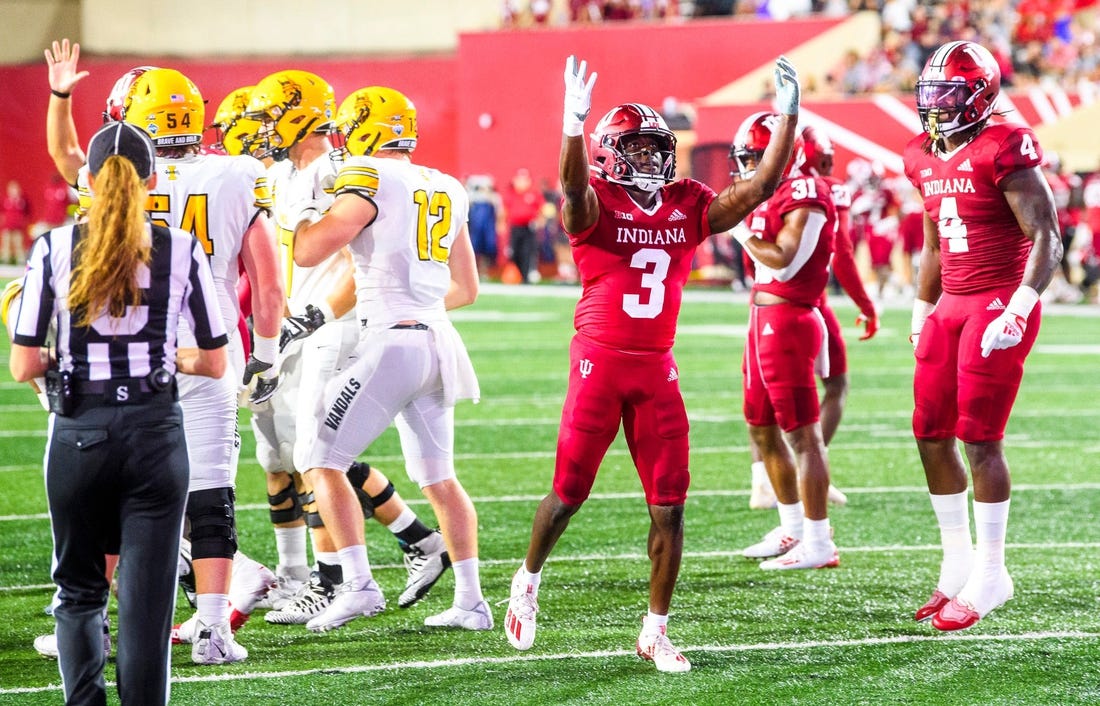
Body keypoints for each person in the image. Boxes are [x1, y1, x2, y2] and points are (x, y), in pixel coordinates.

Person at [502, 54, 801, 672]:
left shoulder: (686, 202)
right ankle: (528, 579)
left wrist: (788, 116)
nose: (651, 160)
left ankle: (655, 630)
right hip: (598, 364)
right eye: (636, 150)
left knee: (670, 504)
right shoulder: (597, 202)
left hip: (655, 368)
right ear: (611, 153)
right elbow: (575, 189)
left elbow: (759, 189)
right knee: (568, 493)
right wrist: (571, 127)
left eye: (655, 148)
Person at [8, 121, 227, 705]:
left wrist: (64, 357)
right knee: (147, 606)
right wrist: (161, 353)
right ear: (152, 181)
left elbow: (23, 365)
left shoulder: (54, 247)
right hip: (156, 434)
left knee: (79, 593)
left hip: (80, 433)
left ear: (87, 181)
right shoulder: (181, 248)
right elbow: (214, 361)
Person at [242, 74, 451, 624]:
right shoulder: (290, 172)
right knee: (315, 454)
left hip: (333, 327)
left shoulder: (341, 173)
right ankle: (405, 547)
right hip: (303, 327)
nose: (261, 130)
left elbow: (357, 265)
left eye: (269, 118)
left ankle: (336, 580)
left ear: (298, 115)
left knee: (317, 454)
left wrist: (306, 319)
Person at [290, 85, 488, 633]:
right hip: (439, 341)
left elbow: (309, 249)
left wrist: (304, 208)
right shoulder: (447, 184)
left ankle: (358, 585)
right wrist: (416, 306)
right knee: (440, 478)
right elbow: (466, 286)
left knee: (318, 458)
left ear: (363, 131)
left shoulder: (370, 176)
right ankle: (471, 601)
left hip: (393, 340)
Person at [905, 40, 1062, 631]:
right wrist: (921, 307)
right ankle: (956, 566)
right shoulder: (920, 155)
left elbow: (1047, 234)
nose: (939, 107)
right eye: (932, 95)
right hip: (952, 302)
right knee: (929, 431)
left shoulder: (1006, 145)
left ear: (980, 95)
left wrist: (1020, 306)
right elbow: (931, 243)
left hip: (998, 298)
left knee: (979, 437)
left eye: (949, 94)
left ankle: (992, 573)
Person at [746, 123, 877, 511]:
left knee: (765, 409)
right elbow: (842, 253)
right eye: (825, 160)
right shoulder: (815, 190)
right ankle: (804, 476)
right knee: (807, 408)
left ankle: (777, 481)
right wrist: (866, 305)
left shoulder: (783, 190)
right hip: (800, 303)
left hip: (770, 302)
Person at [730, 112, 840, 572]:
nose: (750, 165)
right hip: (762, 317)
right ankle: (792, 524)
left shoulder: (806, 192)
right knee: (760, 425)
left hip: (791, 319)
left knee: (802, 434)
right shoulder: (775, 193)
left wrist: (737, 227)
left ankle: (819, 540)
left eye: (756, 156)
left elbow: (785, 262)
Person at [501, 168, 546, 283]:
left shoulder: (534, 194)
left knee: (527, 252)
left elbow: (542, 209)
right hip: (515, 228)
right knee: (514, 252)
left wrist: (540, 222)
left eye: (524, 180)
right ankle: (518, 274)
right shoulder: (510, 194)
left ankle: (526, 278)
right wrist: (502, 223)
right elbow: (504, 211)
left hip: (528, 228)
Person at [1, 180, 31, 264]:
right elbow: (2, 212)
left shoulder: (22, 200)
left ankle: (20, 259)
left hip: (18, 227)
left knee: (18, 243)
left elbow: (27, 212)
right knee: (6, 243)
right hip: (7, 226)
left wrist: (23, 221)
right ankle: (5, 259)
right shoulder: (6, 200)